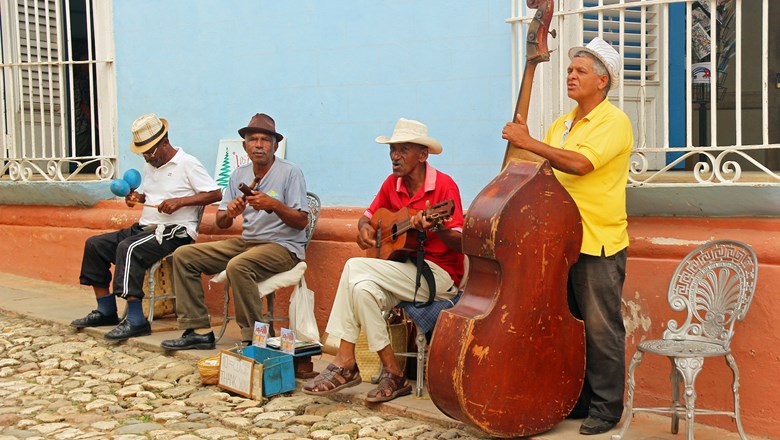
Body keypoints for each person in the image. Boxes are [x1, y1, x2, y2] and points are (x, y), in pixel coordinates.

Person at [502, 37, 633, 435]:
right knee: (567, 325)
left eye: (580, 72)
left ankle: (607, 408)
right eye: (569, 71)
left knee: (600, 327)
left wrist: (531, 143)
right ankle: (575, 399)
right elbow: (539, 165)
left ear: (603, 81)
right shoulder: (562, 123)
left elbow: (579, 164)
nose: (571, 77)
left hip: (598, 241)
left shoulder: (615, 122)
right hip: (558, 242)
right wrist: (520, 147)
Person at [302, 118, 465, 403]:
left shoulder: (444, 187)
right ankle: (394, 373)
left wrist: (436, 226)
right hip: (403, 270)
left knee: (354, 266)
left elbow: (460, 241)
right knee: (362, 290)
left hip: (438, 276)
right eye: (392, 150)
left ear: (422, 155)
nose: (395, 156)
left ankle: (344, 359)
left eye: (403, 149)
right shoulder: (393, 183)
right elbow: (368, 217)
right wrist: (364, 229)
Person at [161, 113, 309, 350]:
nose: (259, 145)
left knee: (238, 265)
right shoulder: (239, 175)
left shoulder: (290, 172)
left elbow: (302, 221)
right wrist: (230, 212)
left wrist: (274, 205)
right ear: (245, 145)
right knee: (184, 256)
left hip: (283, 247)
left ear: (275, 145)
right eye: (253, 140)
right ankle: (198, 330)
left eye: (265, 140)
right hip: (248, 244)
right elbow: (221, 222)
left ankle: (255, 338)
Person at [71, 113, 222, 341]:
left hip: (175, 231)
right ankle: (106, 310)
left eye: (150, 151)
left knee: (128, 248)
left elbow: (215, 193)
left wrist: (180, 202)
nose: (147, 157)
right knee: (95, 245)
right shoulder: (151, 164)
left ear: (165, 142)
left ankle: (136, 320)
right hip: (146, 228)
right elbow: (153, 195)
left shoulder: (187, 163)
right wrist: (139, 198)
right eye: (143, 153)